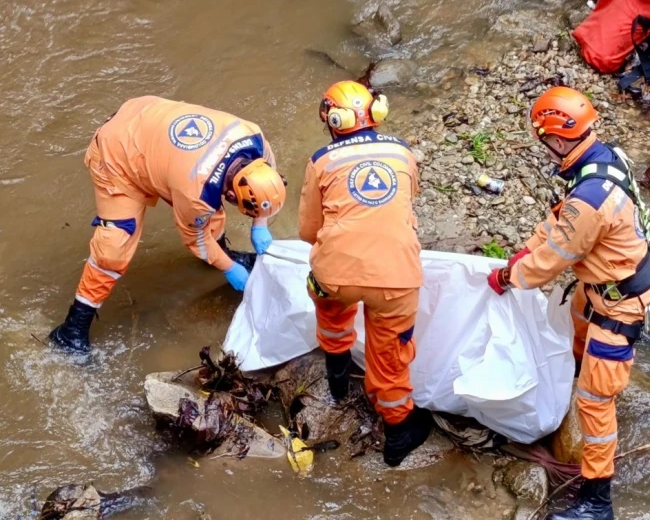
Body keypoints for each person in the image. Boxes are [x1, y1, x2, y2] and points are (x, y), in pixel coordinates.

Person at [487, 87, 650, 520]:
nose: (543, 147)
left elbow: (550, 263)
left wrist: (510, 275)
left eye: (544, 139)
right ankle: (575, 383)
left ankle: (597, 502)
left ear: (559, 139)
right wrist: (523, 251)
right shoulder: (599, 160)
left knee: (596, 406)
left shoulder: (590, 200)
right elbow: (556, 222)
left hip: (619, 307)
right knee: (576, 332)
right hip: (601, 286)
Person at [50, 96, 286, 353]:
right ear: (231, 194)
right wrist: (229, 267)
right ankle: (71, 328)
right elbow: (196, 238)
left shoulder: (256, 140)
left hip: (150, 122)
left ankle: (218, 256)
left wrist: (259, 225)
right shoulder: (195, 191)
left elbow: (266, 191)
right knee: (113, 249)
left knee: (210, 213)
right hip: (118, 154)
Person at [298, 80, 431, 467]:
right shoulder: (402, 152)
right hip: (396, 278)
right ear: (376, 113)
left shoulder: (321, 160)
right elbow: (407, 202)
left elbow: (308, 231)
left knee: (332, 310)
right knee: (390, 358)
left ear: (331, 120)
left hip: (334, 276)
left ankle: (338, 382)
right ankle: (398, 439)